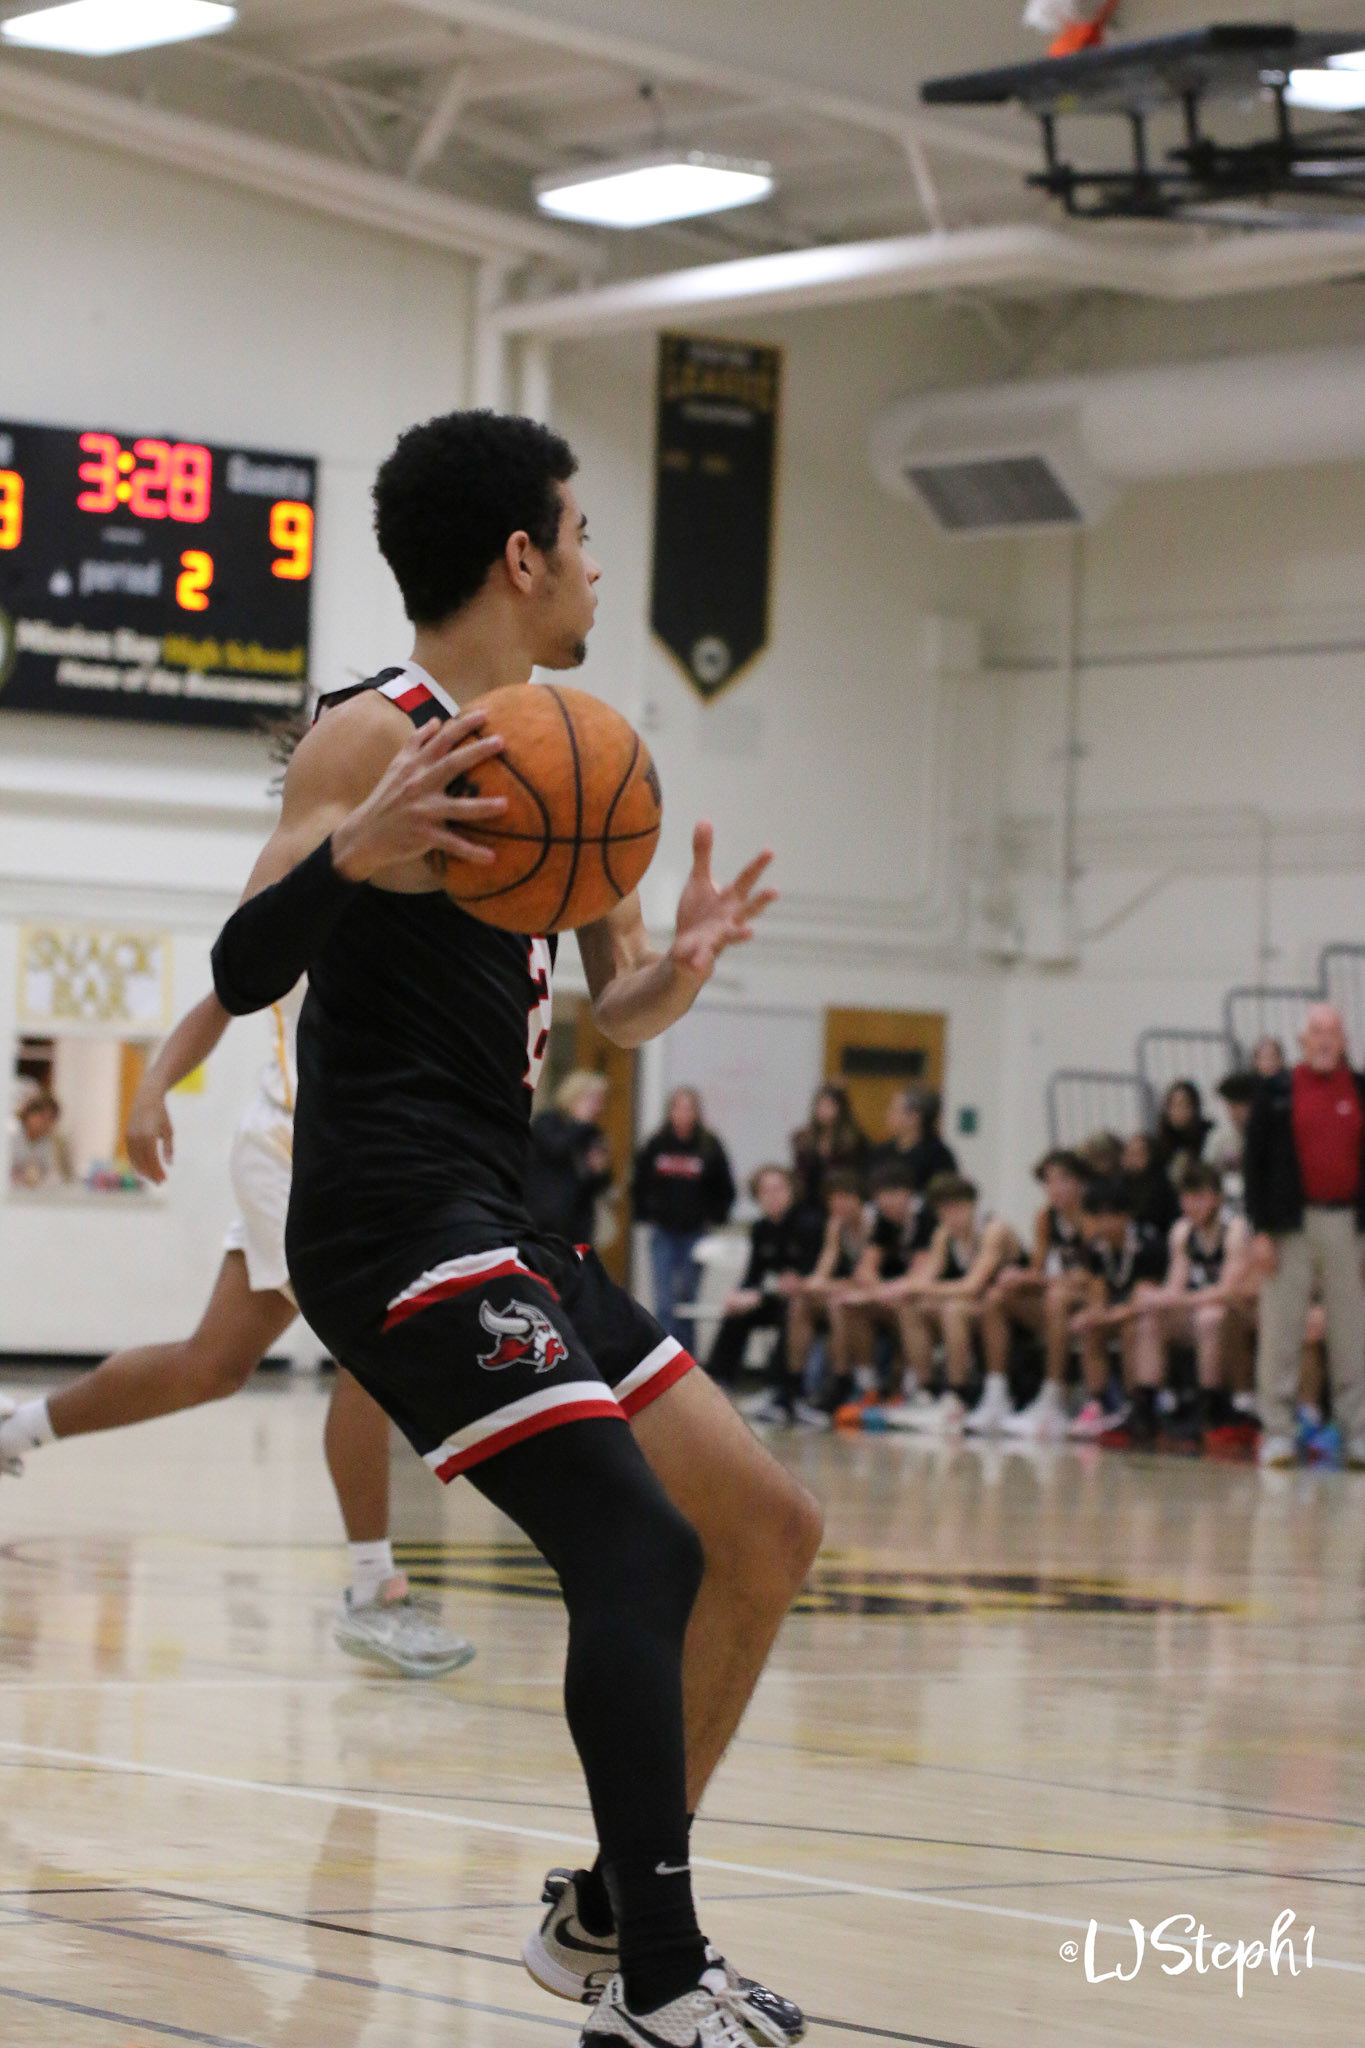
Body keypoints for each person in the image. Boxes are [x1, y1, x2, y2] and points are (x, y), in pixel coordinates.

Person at [206, 408, 820, 2048]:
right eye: (584, 534)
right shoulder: (370, 734)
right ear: (521, 556)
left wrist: (673, 970)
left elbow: (614, 1006)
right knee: (637, 1547)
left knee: (764, 1530)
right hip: (383, 1219)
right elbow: (242, 966)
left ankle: (607, 1915)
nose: (600, 566)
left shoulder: (573, 750)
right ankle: (661, 1981)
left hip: (495, 1209)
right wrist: (353, 854)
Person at [0, 988, 475, 1680]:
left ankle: (14, 1432)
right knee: (374, 1344)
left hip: (371, 1158)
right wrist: (152, 1089)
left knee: (211, 1366)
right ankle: (374, 1589)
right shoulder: (314, 911)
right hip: (296, 1150)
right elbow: (229, 987)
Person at [1244, 1003, 1365, 1471]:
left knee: (1352, 1334)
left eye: (1333, 1031)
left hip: (1346, 1224)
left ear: (1345, 1040)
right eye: (1317, 1031)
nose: (1325, 1039)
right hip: (1288, 1226)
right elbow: (1254, 1164)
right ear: (1302, 1040)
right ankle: (1277, 1433)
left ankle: (1357, 1432)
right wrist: (1259, 1229)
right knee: (1281, 1331)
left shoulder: (1359, 1089)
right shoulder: (1276, 1091)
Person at [1126, 1160, 1256, 1448]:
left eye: (1200, 1197)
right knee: (1151, 1317)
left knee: (1210, 1316)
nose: (1192, 1205)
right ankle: (1145, 1405)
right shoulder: (1182, 1232)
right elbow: (1176, 1285)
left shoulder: (1235, 1230)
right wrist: (1155, 1298)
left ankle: (1211, 1408)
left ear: (1217, 1198)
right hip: (1200, 1309)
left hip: (1236, 1315)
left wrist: (1177, 1299)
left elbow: (1228, 1291)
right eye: (1186, 1197)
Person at [892, 1175, 1022, 1433]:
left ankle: (957, 1394)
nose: (951, 1216)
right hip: (977, 1305)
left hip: (1008, 1306)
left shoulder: (993, 1230)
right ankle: (926, 1391)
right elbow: (927, 1278)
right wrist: (906, 1289)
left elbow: (973, 1286)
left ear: (972, 1205)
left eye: (957, 1208)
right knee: (911, 1308)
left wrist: (918, 1287)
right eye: (944, 1210)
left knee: (953, 1309)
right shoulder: (943, 1235)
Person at [982, 1149, 1092, 1440]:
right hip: (1060, 1293)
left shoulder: (1092, 1215)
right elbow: (1038, 1269)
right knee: (997, 1297)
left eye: (1063, 1180)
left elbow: (1089, 1277)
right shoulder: (1046, 1217)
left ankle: (1053, 1396)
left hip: (1094, 1297)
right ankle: (996, 1393)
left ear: (1081, 1183)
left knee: (1056, 1297)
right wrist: (1017, 1278)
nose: (1054, 1188)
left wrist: (1040, 1280)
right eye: (1048, 1181)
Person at [707, 1165, 822, 1422]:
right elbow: (754, 1274)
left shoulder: (808, 1224)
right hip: (772, 1297)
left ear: (791, 1191)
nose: (773, 1196)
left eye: (778, 1189)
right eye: (765, 1191)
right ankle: (718, 1380)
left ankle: (780, 1391)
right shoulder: (761, 1228)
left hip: (804, 1300)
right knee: (736, 1312)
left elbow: (802, 1276)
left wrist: (760, 1293)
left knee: (790, 1314)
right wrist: (739, 1295)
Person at [632, 1087, 736, 1353]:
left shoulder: (709, 1146)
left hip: (695, 1234)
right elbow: (640, 1182)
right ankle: (665, 1357)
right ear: (670, 1111)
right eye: (678, 1108)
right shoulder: (657, 1144)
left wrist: (714, 1216)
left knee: (687, 1299)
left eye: (689, 1108)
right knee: (664, 1300)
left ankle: (686, 1358)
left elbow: (725, 1188)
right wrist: (647, 1213)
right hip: (664, 1231)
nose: (683, 1114)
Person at [826, 1161, 935, 1410]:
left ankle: (918, 1387)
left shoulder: (926, 1218)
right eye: (880, 1197)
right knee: (848, 1305)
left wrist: (882, 1291)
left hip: (927, 1295)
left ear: (908, 1193)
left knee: (907, 1306)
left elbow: (921, 1275)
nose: (886, 1203)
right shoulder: (884, 1221)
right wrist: (878, 1292)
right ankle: (866, 1385)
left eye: (892, 1195)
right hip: (895, 1293)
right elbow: (865, 1270)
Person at [1066, 1178, 1168, 1442]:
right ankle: (1096, 1402)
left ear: (1126, 1216)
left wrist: (1106, 1316)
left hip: (1151, 1314)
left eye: (1110, 1215)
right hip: (1119, 1311)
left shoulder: (1149, 1245)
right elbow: (1098, 1293)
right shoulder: (1096, 1249)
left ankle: (1136, 1403)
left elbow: (1142, 1300)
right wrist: (1092, 1315)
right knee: (1091, 1328)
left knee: (1132, 1328)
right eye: (1098, 1216)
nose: (1104, 1223)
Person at [784, 1169, 870, 1402]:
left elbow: (866, 1278)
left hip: (876, 1292)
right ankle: (794, 1384)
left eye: (844, 1197)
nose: (838, 1204)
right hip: (850, 1290)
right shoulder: (835, 1226)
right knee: (800, 1301)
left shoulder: (873, 1223)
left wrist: (823, 1285)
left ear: (859, 1198)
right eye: (833, 1199)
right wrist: (805, 1285)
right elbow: (824, 1268)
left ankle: (842, 1382)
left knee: (837, 1304)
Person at [525, 1069, 613, 1246]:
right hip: (545, 1217)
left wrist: (600, 1171)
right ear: (575, 1096)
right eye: (594, 1100)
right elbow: (556, 1149)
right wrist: (578, 1124)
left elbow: (601, 1183)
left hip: (578, 1220)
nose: (598, 1107)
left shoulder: (592, 1133)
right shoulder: (547, 1122)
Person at [789, 1082, 866, 1219]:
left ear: (840, 1108)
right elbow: (799, 1175)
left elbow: (856, 1175)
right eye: (821, 1105)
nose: (824, 1110)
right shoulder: (804, 1139)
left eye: (829, 1105)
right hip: (809, 1203)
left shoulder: (854, 1139)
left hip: (841, 1200)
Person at [866, 1086, 957, 1192]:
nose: (888, 1114)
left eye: (894, 1109)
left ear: (914, 1117)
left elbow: (943, 1193)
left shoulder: (938, 1156)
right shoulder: (881, 1152)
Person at [1120, 1129, 1179, 1235]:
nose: (1132, 1159)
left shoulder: (1162, 1187)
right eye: (1129, 1153)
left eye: (1138, 1154)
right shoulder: (1119, 1184)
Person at [9, 1089, 70, 1189]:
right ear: (28, 1114)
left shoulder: (46, 1141)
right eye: (42, 1116)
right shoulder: (10, 1133)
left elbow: (49, 1172)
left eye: (50, 1119)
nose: (45, 1123)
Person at [1154, 1078, 1212, 1180]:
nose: (1180, 1110)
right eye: (1174, 1105)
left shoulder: (1210, 1136)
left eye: (1185, 1104)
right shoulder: (1160, 1145)